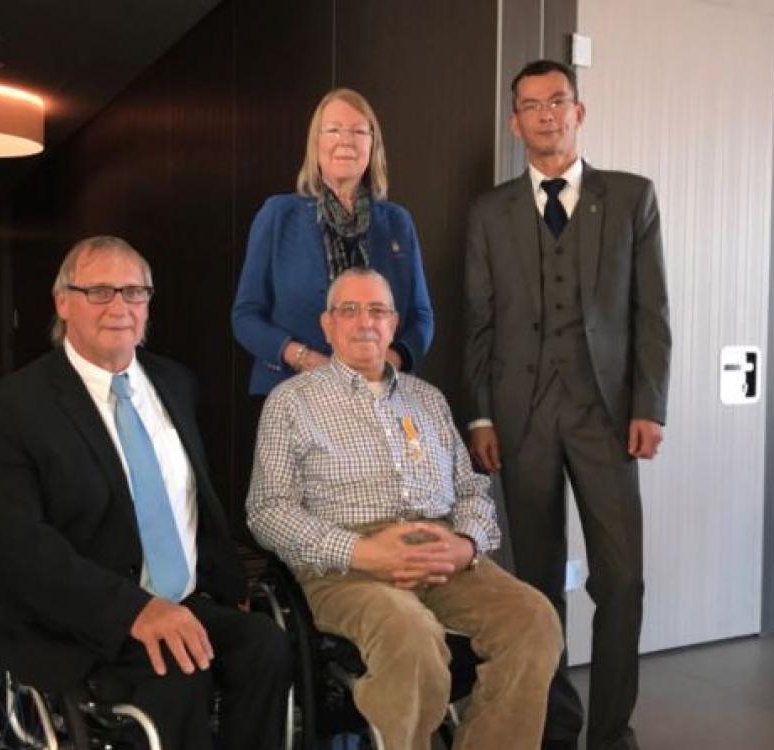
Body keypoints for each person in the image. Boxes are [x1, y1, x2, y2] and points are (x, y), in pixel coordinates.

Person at [0, 236, 290, 750]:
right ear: (62, 302)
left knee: (264, 647)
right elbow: (16, 545)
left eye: (134, 292)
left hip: (179, 601)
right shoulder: (11, 408)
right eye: (99, 291)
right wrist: (133, 611)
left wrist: (229, 587)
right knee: (178, 676)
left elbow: (194, 500)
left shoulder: (176, 383)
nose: (119, 307)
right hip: (77, 615)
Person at [248, 267, 561, 750]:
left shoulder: (428, 400)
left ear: (394, 324)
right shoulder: (292, 403)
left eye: (377, 310)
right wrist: (361, 551)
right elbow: (267, 510)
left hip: (442, 554)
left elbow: (473, 490)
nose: (364, 322)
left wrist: (466, 544)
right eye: (348, 310)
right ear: (327, 325)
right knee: (412, 636)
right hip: (347, 567)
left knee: (534, 619)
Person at [463, 60, 672, 750]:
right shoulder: (489, 212)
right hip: (521, 420)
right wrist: (483, 415)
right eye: (531, 105)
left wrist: (650, 404)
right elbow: (481, 321)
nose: (546, 114)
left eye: (558, 101)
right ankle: (556, 726)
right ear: (514, 120)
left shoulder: (632, 197)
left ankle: (612, 732)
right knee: (536, 584)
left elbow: (652, 313)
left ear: (579, 112)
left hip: (606, 417)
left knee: (623, 580)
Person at [232, 87, 434, 396]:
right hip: (293, 392)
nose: (346, 141)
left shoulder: (397, 222)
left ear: (373, 144)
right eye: (334, 130)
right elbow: (246, 316)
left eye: (358, 131)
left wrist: (384, 365)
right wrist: (306, 360)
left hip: (380, 396)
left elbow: (421, 318)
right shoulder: (278, 215)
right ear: (316, 144)